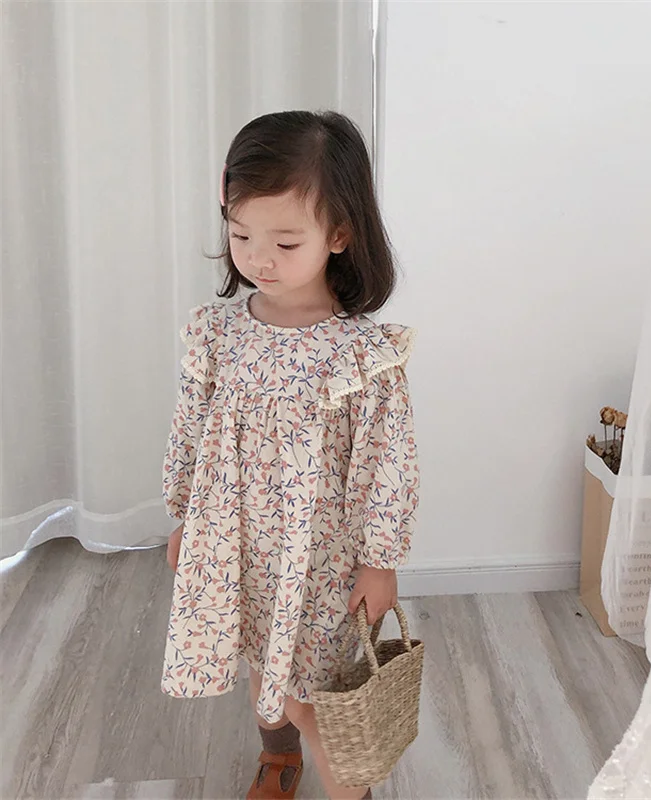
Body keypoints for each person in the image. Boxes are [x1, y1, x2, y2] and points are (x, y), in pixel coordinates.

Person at [161, 111, 420, 800]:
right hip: (237, 541)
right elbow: (190, 431)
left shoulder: (360, 355)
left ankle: (348, 789)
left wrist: (381, 561)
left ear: (339, 234)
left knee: (314, 698)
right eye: (240, 234)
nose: (258, 259)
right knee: (258, 661)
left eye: (284, 241)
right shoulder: (218, 334)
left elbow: (387, 467)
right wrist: (186, 518)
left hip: (319, 561)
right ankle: (278, 760)